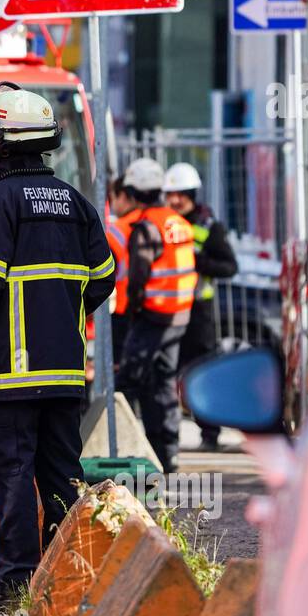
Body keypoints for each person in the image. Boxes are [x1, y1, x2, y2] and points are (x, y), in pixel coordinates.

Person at [0, 83, 116, 614]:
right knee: (62, 471)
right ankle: (67, 575)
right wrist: (61, 314)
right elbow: (105, 276)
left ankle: (15, 577)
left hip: (9, 372)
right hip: (64, 368)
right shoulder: (77, 203)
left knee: (13, 475)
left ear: (1, 145)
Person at [115, 158, 197, 474]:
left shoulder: (146, 227)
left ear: (134, 193)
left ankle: (121, 448)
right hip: (179, 316)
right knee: (162, 384)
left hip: (153, 316)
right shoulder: (177, 222)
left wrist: (132, 308)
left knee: (127, 382)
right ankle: (167, 455)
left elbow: (138, 277)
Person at [163, 162, 240, 451]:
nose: (174, 200)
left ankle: (210, 434)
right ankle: (167, 437)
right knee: (167, 374)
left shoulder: (208, 227)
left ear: (192, 194)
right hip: (168, 309)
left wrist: (199, 263)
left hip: (198, 314)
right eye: (170, 194)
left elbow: (230, 266)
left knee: (203, 373)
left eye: (180, 194)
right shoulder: (165, 224)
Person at [105, 176, 135, 366]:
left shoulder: (116, 231)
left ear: (122, 196)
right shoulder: (150, 221)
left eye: (112, 198)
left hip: (122, 308)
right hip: (148, 309)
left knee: (118, 365)